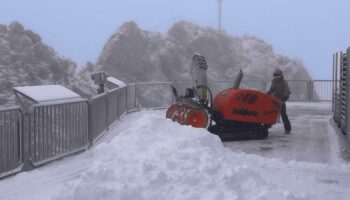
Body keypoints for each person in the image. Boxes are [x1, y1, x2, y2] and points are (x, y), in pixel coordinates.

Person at [267, 68, 292, 134]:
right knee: (269, 113)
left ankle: (288, 129)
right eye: (275, 76)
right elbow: (271, 89)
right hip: (274, 100)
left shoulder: (284, 82)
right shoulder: (273, 81)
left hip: (281, 100)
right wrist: (268, 93)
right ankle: (266, 126)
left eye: (278, 75)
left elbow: (287, 91)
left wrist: (284, 97)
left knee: (283, 114)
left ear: (281, 75)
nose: (277, 77)